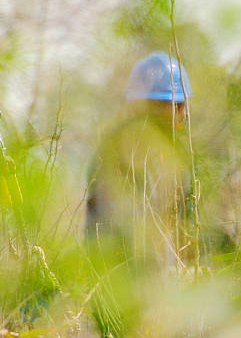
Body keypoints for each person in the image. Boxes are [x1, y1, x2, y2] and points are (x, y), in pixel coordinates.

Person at [84, 51, 194, 336]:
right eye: (171, 105)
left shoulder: (114, 147)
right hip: (132, 286)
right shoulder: (168, 156)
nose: (177, 112)